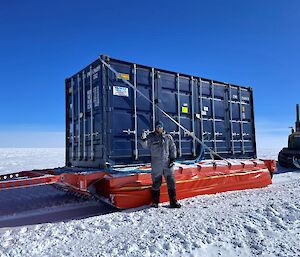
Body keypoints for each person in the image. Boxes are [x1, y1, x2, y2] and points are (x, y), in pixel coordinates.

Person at [140, 121, 181, 208]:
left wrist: (172, 158)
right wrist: (143, 139)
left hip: (167, 162)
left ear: (162, 127)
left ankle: (173, 201)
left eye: (160, 127)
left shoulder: (168, 137)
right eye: (157, 127)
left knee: (171, 181)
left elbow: (172, 147)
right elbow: (145, 146)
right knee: (156, 182)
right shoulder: (151, 137)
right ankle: (155, 202)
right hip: (156, 163)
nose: (158, 128)